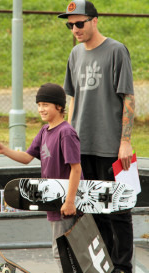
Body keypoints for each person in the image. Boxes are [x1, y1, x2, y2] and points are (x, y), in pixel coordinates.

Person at [58, 1, 135, 272]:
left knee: (118, 211)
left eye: (79, 23)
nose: (75, 29)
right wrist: (65, 135)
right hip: (81, 145)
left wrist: (124, 141)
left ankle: (122, 267)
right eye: (70, 24)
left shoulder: (116, 50)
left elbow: (128, 97)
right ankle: (100, 265)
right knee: (90, 211)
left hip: (110, 146)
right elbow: (72, 98)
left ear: (94, 20)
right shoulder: (75, 53)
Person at [0, 83, 82, 272]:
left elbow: (76, 168)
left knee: (62, 251)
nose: (40, 109)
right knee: (62, 249)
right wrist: (4, 150)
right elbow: (27, 158)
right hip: (52, 201)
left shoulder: (66, 133)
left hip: (64, 203)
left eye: (45, 104)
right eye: (39, 104)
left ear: (59, 107)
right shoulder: (44, 131)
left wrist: (70, 201)